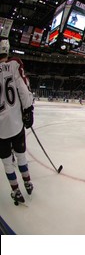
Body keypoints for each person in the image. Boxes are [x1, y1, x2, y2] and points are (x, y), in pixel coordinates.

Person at [0, 39, 34, 205]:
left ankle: (16, 191)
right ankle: (27, 182)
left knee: (7, 163)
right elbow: (23, 89)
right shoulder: (14, 64)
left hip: (0, 131)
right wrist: (28, 111)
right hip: (16, 124)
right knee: (21, 156)